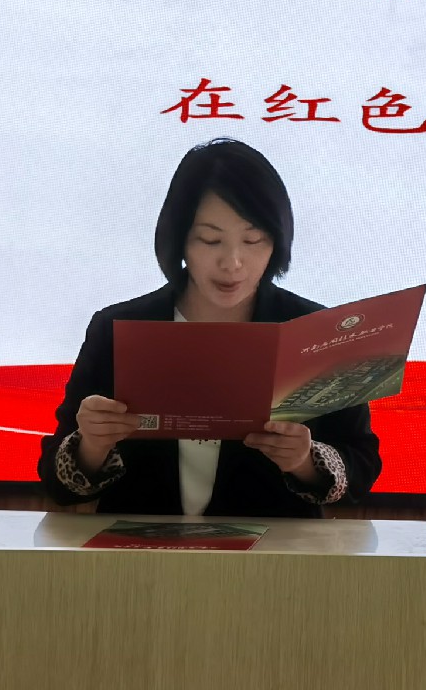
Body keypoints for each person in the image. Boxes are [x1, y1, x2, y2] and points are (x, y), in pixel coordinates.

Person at [40, 139, 383, 517]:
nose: (232, 262)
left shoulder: (317, 332)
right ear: (180, 239)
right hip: (144, 549)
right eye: (210, 239)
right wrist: (91, 446)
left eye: (253, 239)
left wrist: (304, 460)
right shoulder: (116, 327)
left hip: (273, 550)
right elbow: (58, 485)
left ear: (276, 240)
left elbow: (362, 465)